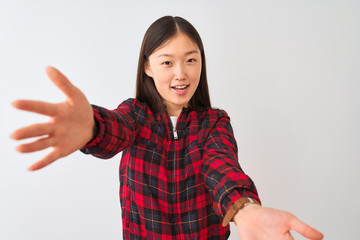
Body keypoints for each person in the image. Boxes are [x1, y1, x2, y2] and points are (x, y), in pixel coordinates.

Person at [11, 16, 323, 240]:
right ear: (147, 66)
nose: (181, 74)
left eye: (191, 60)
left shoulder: (214, 123)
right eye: (166, 62)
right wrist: (92, 127)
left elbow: (220, 165)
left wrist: (245, 208)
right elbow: (115, 129)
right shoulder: (135, 115)